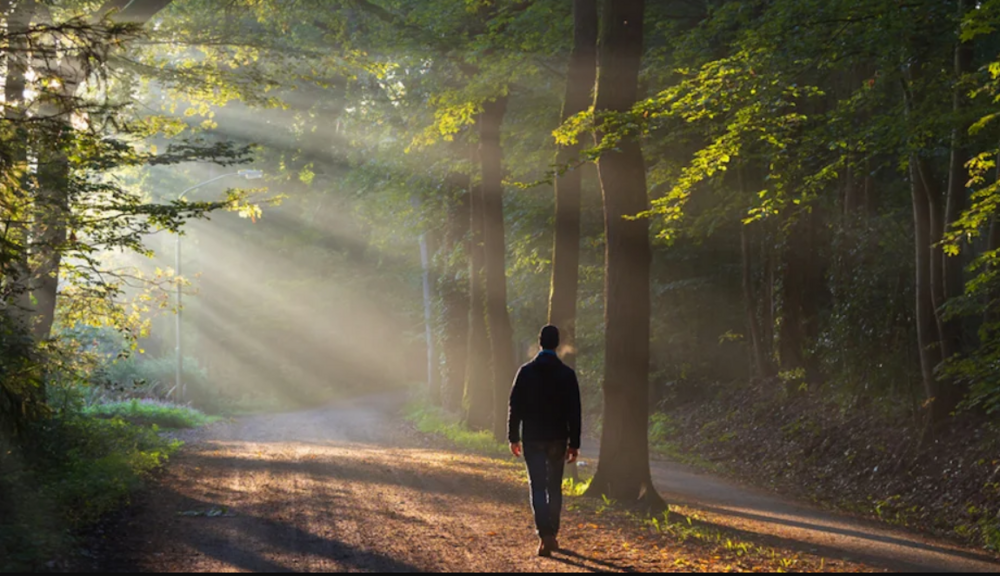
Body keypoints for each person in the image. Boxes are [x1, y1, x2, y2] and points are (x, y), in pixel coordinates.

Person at [507, 325, 582, 557]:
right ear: (557, 344)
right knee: (554, 486)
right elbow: (574, 411)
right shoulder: (567, 374)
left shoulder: (525, 372)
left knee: (537, 486)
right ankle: (552, 532)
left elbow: (515, 406)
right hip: (558, 438)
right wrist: (574, 443)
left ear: (540, 343)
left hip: (532, 438)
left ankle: (545, 535)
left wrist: (513, 437)